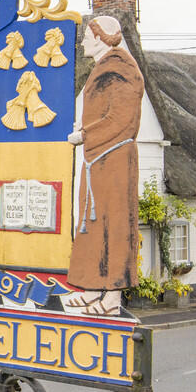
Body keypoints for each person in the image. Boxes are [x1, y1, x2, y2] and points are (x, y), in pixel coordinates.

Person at [66, 16, 143, 315]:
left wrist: (85, 135)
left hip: (115, 160)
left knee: (115, 225)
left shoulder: (121, 69)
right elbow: (102, 113)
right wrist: (85, 129)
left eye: (87, 37)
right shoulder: (103, 66)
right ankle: (91, 289)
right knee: (92, 223)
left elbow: (121, 119)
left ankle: (111, 297)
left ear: (100, 38)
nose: (83, 42)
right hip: (97, 159)